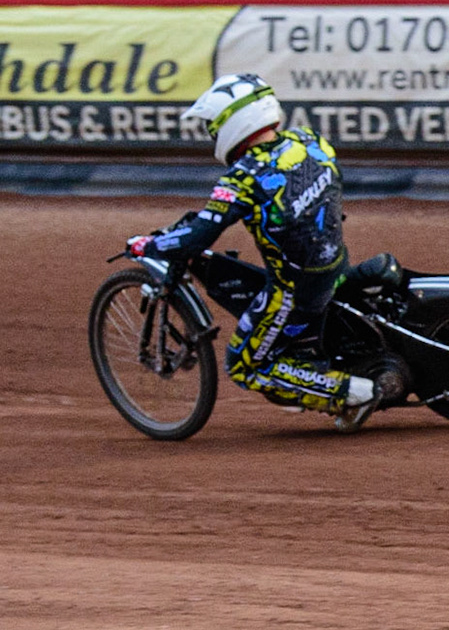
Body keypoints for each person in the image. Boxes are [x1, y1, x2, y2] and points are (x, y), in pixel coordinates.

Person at [130, 73, 397, 420]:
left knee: (242, 366)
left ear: (233, 123)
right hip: (334, 261)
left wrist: (149, 245)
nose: (211, 134)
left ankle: (351, 394)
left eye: (213, 125)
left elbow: (198, 238)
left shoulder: (244, 177)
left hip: (294, 290)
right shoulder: (310, 141)